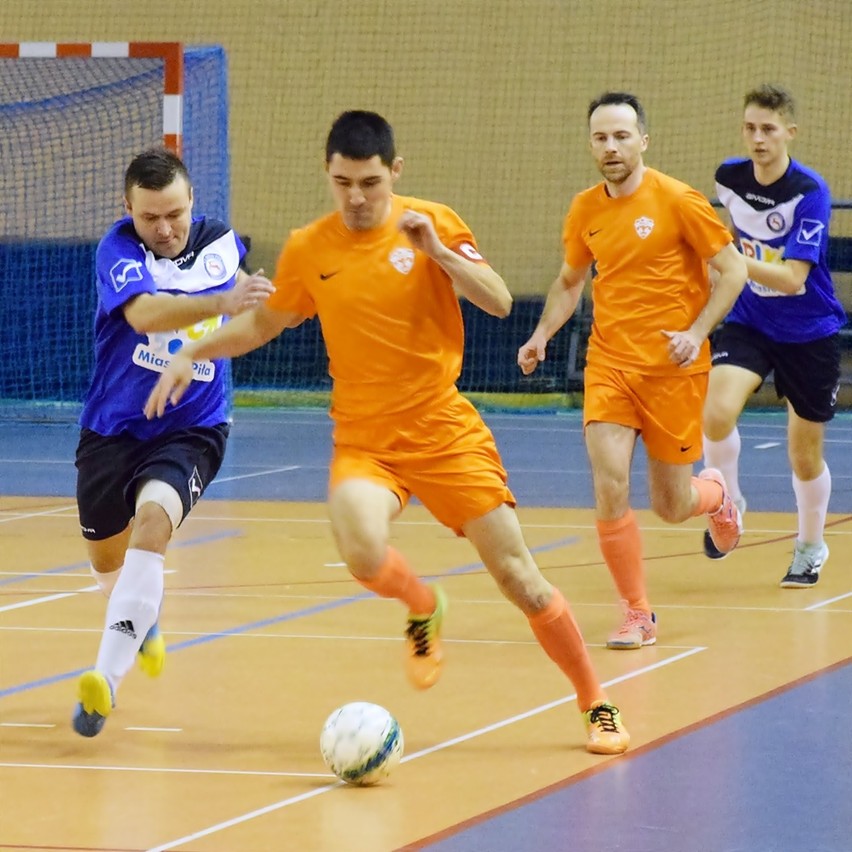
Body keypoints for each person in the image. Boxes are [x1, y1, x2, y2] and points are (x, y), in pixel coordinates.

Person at [146, 110, 630, 755]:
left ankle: (594, 701)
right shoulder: (311, 247)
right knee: (362, 551)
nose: (356, 197)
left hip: (443, 430)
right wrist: (190, 351)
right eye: (343, 181)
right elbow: (264, 324)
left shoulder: (431, 223)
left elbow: (497, 301)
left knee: (521, 578)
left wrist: (435, 252)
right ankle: (423, 604)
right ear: (328, 173)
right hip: (365, 441)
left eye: (369, 182)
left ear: (394, 172)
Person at [518, 92, 749, 650]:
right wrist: (542, 334)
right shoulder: (584, 209)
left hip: (673, 370)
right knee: (610, 482)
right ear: (591, 145)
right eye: (601, 137)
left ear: (643, 140)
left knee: (671, 506)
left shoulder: (678, 200)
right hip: (610, 365)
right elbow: (571, 281)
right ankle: (638, 613)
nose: (611, 146)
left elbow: (733, 270)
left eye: (622, 136)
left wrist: (696, 334)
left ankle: (715, 496)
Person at [72, 147, 274, 736]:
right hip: (113, 429)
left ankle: (101, 686)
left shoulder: (220, 245)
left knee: (155, 522)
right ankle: (143, 618)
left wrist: (269, 305)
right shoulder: (118, 250)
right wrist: (219, 304)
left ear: (192, 203)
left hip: (194, 426)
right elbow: (145, 315)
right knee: (110, 566)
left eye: (175, 215)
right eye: (150, 218)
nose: (164, 229)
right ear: (127, 209)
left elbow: (255, 310)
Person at [701, 84, 845, 586]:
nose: (758, 138)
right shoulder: (727, 179)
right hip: (750, 321)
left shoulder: (810, 192)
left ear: (789, 133)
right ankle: (729, 503)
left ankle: (810, 546)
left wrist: (731, 262)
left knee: (803, 456)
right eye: (750, 128)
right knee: (715, 412)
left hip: (808, 331)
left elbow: (792, 278)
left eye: (768, 128)